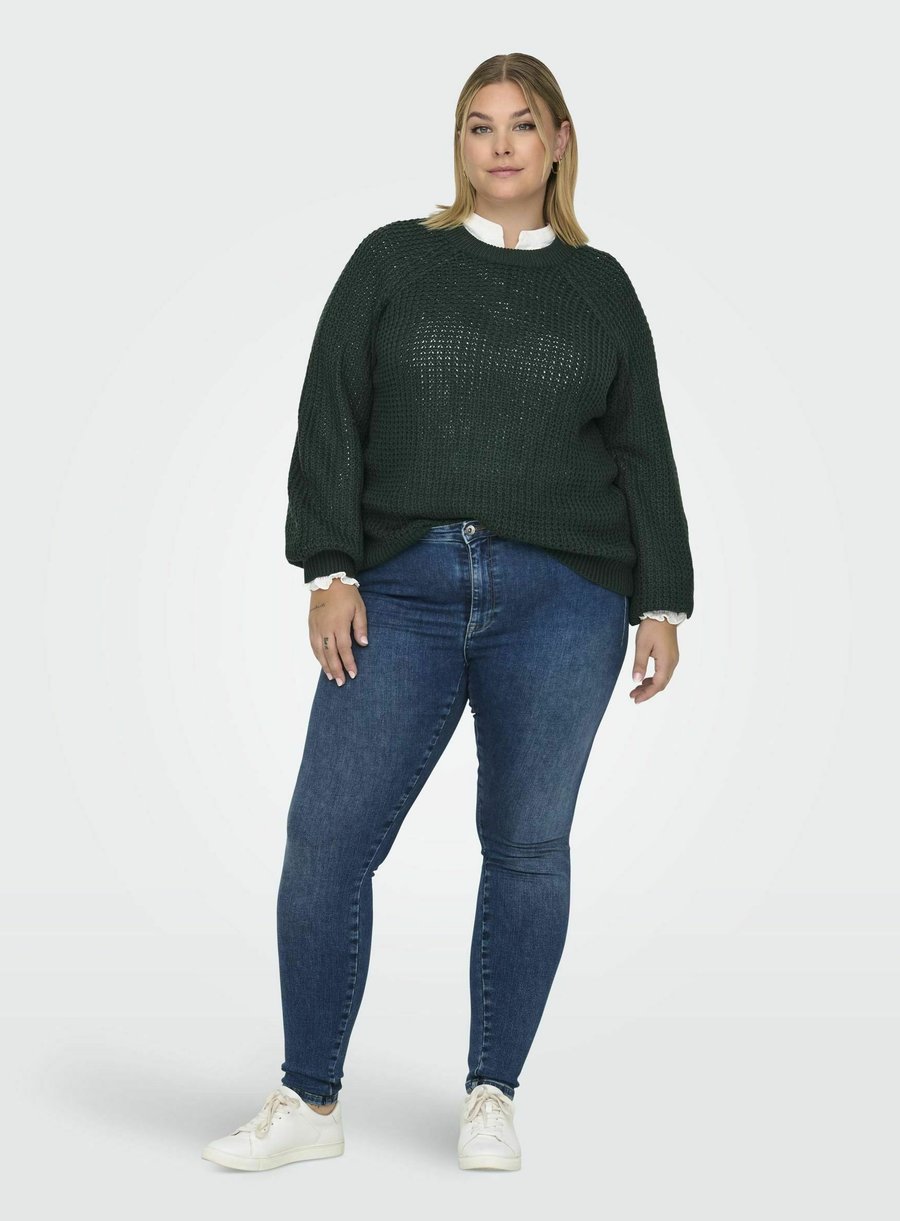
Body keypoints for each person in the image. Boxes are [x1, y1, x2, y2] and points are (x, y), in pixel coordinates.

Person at [202, 51, 694, 1175]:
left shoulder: (601, 286)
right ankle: (310, 1100)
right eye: (480, 125)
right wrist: (329, 568)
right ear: (460, 144)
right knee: (327, 842)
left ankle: (491, 1093)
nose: (501, 145)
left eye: (523, 124)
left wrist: (662, 599)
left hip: (566, 597)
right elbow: (333, 410)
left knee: (527, 845)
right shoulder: (394, 261)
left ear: (559, 142)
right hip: (403, 592)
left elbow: (641, 448)